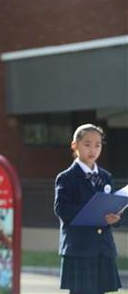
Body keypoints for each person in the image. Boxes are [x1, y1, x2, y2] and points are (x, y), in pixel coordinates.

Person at [54, 124, 122, 294]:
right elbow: (62, 209)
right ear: (75, 145)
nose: (93, 150)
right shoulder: (66, 177)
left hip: (103, 249)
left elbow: (114, 204)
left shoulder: (105, 177)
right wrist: (91, 211)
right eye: (87, 144)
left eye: (97, 145)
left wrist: (117, 217)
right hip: (79, 249)